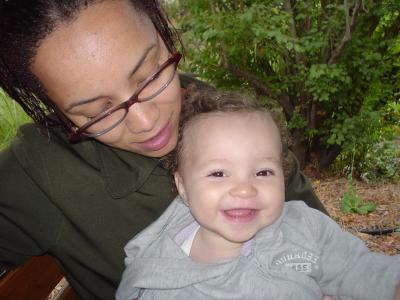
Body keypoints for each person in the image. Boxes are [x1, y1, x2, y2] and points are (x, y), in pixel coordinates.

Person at [0, 1, 326, 299]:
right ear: (58, 112)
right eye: (97, 112)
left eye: (150, 74)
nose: (145, 121)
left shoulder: (213, 111)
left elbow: (314, 232)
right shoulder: (41, 171)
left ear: (163, 31)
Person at [116, 89, 400, 300]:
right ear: (183, 187)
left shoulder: (306, 229)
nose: (244, 188)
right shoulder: (157, 280)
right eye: (218, 173)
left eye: (263, 172)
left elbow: (364, 271)